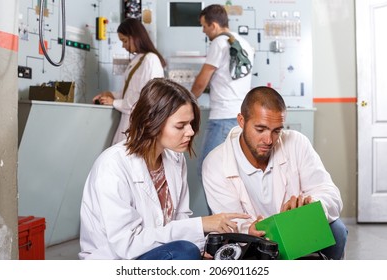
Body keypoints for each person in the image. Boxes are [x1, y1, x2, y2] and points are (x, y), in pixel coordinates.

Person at [79, 78, 250, 260]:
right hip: (117, 260)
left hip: (156, 254)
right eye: (180, 125)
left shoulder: (175, 158)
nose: (191, 132)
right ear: (152, 122)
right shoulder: (112, 166)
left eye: (191, 123)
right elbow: (126, 245)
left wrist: (202, 248)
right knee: (185, 252)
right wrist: (200, 226)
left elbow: (180, 219)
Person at [202, 86, 348, 260]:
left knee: (337, 230)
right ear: (241, 121)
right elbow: (230, 223)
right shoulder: (215, 163)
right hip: (253, 244)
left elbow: (330, 194)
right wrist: (249, 229)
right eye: (260, 129)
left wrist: (312, 206)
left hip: (297, 232)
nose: (269, 140)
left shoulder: (297, 143)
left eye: (276, 130)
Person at [191, 4, 254, 170]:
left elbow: (201, 81)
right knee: (233, 173)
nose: (203, 31)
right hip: (241, 117)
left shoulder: (219, 42)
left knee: (207, 171)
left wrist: (186, 101)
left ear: (214, 25)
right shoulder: (245, 43)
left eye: (204, 26)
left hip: (222, 118)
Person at [93, 18, 165, 145]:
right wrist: (110, 95)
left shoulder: (150, 60)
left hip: (139, 124)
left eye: (125, 41)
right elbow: (130, 92)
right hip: (128, 121)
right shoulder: (137, 59)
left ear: (135, 37)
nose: (123, 45)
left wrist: (114, 102)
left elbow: (147, 98)